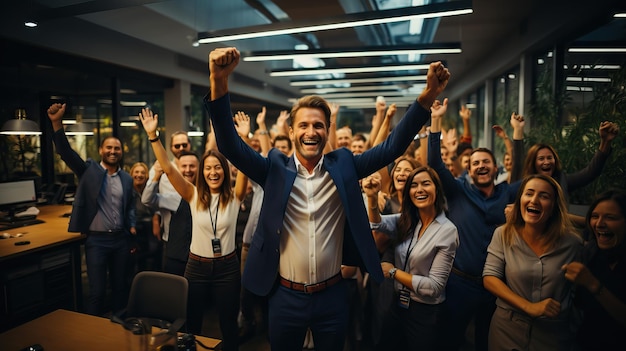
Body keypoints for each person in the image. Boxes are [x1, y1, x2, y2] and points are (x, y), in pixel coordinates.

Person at [206, 47, 450, 351]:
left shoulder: (345, 165)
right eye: (304, 125)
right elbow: (229, 145)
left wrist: (427, 96)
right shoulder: (273, 169)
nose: (312, 132)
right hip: (284, 295)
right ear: (292, 131)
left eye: (318, 125)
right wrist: (219, 80)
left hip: (332, 295)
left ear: (327, 130)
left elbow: (391, 148)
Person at [139, 109, 248, 351]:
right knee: (192, 323)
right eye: (208, 168)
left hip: (227, 268)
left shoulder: (235, 197)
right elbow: (167, 167)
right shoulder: (192, 194)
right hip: (196, 267)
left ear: (225, 171)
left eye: (217, 167)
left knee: (228, 323)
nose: (213, 172)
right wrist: (153, 136)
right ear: (202, 172)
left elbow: (243, 166)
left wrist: (242, 139)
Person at [427, 99, 524, 351]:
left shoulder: (506, 193)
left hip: (497, 285)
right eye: (476, 163)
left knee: (487, 341)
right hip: (460, 283)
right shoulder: (458, 191)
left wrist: (517, 135)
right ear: (468, 170)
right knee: (450, 339)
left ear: (495, 167)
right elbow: (435, 164)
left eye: (486, 162)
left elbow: (522, 174)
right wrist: (436, 119)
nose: (481, 165)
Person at [46, 102, 136, 316]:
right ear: (100, 150)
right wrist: (57, 123)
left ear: (121, 152)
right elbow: (66, 152)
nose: (113, 152)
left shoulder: (127, 179)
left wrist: (131, 226)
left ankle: (118, 334)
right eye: (109, 148)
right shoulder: (89, 171)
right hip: (97, 241)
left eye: (117, 148)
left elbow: (130, 206)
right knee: (96, 292)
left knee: (120, 289)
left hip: (121, 241)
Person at [483, 174, 582, 350]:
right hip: (507, 329)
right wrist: (529, 307)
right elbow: (490, 277)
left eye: (544, 196)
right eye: (529, 193)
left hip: (552, 335)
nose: (534, 200)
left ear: (554, 206)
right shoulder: (503, 234)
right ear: (520, 199)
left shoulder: (572, 244)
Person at [364, 166, 459, 350]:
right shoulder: (407, 220)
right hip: (398, 303)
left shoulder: (447, 231)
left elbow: (434, 287)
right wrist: (372, 196)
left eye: (426, 184)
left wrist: (393, 272)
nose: (420, 189)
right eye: (414, 185)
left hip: (425, 312)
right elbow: (376, 222)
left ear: (437, 190)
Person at [562, 189, 626, 350]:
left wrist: (593, 285)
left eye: (610, 217)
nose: (599, 223)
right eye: (595, 216)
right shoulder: (591, 252)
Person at [142, 151, 199, 276]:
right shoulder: (175, 197)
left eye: (192, 166)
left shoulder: (206, 196)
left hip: (200, 259)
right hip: (177, 257)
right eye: (184, 166)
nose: (188, 170)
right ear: (178, 169)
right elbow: (146, 199)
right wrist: (156, 176)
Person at [129, 162, 160, 272]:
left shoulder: (151, 189)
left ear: (147, 175)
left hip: (151, 226)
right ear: (131, 174)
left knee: (154, 255)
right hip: (134, 227)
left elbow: (158, 206)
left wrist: (156, 217)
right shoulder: (128, 190)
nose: (139, 175)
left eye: (143, 172)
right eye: (136, 172)